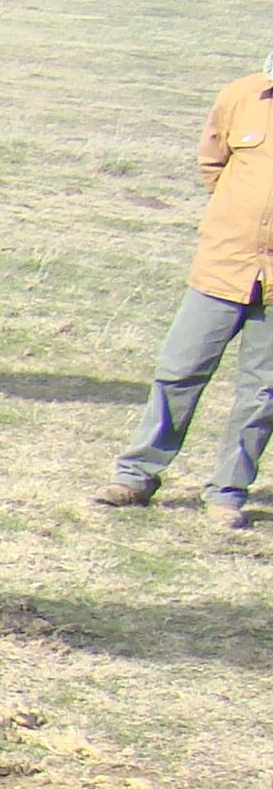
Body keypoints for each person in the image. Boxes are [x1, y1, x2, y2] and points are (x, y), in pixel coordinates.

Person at [94, 54, 273, 532]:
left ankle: (227, 493)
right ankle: (136, 475)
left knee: (262, 393)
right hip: (224, 264)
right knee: (179, 370)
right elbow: (213, 165)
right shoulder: (242, 95)